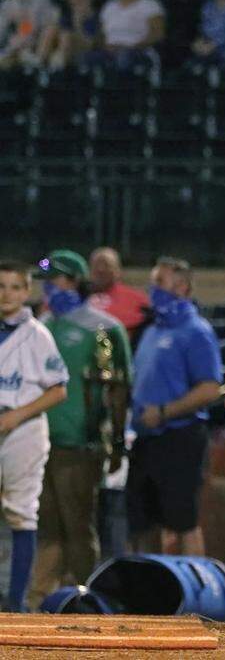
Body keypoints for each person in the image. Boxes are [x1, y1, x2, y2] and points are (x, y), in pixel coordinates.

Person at [28, 251, 131, 610]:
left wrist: (116, 442)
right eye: (45, 280)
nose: (48, 287)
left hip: (80, 443)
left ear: (76, 281)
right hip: (39, 441)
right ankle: (40, 602)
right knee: (47, 526)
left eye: (55, 279)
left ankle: (87, 599)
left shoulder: (101, 327)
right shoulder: (40, 324)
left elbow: (118, 388)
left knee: (77, 527)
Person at [127, 257, 221, 556]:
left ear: (182, 287)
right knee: (142, 522)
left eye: (160, 282)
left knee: (183, 521)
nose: (152, 289)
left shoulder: (196, 331)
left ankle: (195, 590)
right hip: (145, 438)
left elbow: (209, 388)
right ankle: (148, 591)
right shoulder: (152, 330)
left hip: (180, 437)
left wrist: (165, 412)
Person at [0, 260, 68, 611]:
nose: (7, 294)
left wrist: (16, 416)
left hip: (23, 427)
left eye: (15, 287)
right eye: (1, 286)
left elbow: (59, 389)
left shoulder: (37, 333)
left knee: (21, 512)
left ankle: (15, 604)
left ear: (27, 292)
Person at [94, 0, 165, 72]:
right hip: (110, 50)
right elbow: (100, 35)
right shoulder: (109, 7)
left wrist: (133, 46)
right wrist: (106, 46)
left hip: (138, 51)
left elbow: (158, 34)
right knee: (89, 58)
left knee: (125, 58)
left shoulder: (149, 4)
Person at [0, 0, 59, 70]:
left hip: (36, 47)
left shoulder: (44, 1)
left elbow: (49, 28)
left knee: (50, 30)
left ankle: (37, 63)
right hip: (14, 48)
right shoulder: (8, 4)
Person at [87, 247, 149, 341]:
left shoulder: (136, 299)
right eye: (96, 265)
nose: (101, 269)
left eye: (107, 265)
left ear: (118, 270)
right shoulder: (78, 297)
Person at [38, 0, 99, 71]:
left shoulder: (95, 18)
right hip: (64, 48)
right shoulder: (68, 16)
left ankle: (58, 63)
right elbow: (55, 31)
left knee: (66, 36)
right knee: (51, 29)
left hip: (84, 47)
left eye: (80, 0)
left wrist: (78, 24)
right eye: (74, 1)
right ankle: (39, 60)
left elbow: (90, 43)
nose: (75, 0)